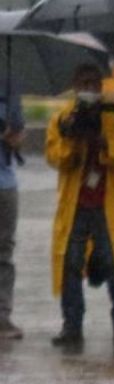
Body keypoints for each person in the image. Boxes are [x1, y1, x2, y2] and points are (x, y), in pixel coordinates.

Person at [46, 64, 114, 347]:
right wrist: (74, 145)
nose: (90, 88)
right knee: (70, 263)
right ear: (75, 84)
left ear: (101, 84)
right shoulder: (63, 117)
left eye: (94, 83)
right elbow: (54, 155)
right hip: (74, 205)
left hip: (106, 205)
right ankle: (72, 325)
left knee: (113, 264)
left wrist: (102, 143)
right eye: (84, 82)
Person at [0, 88, 24, 340]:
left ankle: (2, 316)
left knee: (4, 252)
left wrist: (10, 137)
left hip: (5, 185)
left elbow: (19, 137)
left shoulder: (10, 86)